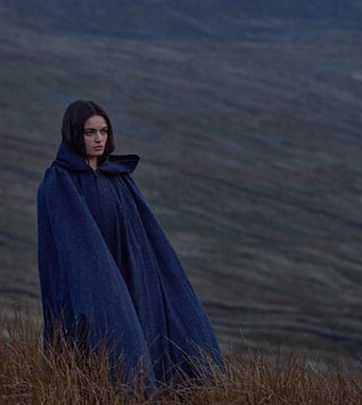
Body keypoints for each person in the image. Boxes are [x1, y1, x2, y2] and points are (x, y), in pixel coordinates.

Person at [36, 99, 225, 389]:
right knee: (108, 346)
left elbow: (144, 236)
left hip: (129, 275)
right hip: (87, 284)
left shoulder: (118, 178)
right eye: (90, 132)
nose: (99, 139)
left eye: (104, 131)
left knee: (176, 325)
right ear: (74, 133)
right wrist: (100, 285)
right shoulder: (59, 182)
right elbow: (69, 246)